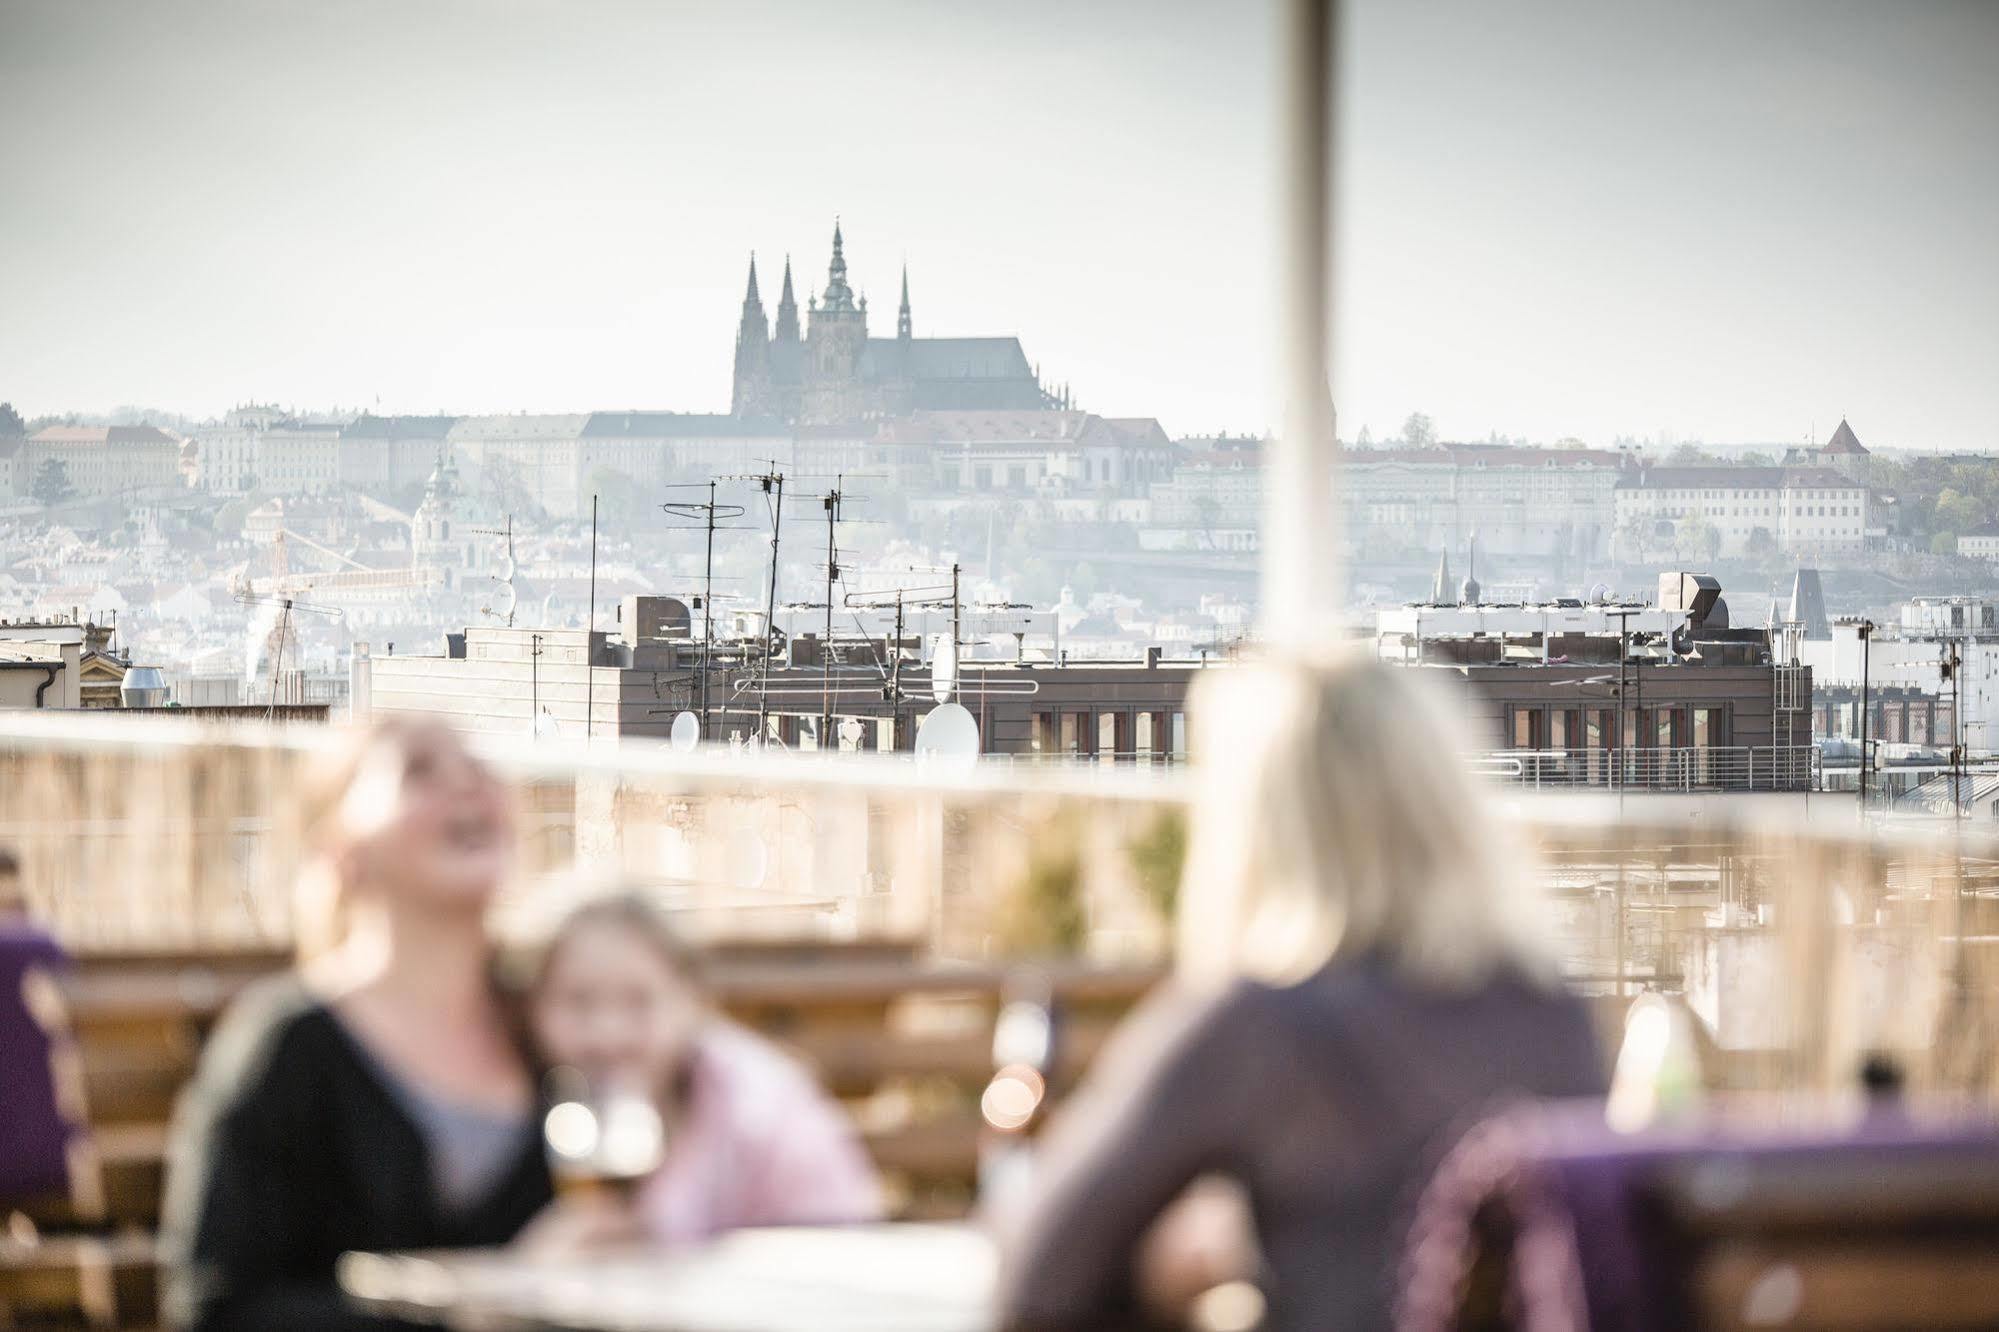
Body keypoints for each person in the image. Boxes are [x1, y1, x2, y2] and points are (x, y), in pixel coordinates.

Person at [998, 655, 1608, 1332]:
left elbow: (1035, 1283)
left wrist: (1170, 1285)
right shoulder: (1553, 1011)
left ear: (1260, 824)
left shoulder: (1259, 1024)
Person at [162, 719, 550, 1331]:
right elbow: (219, 1308)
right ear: (343, 850)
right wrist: (471, 1308)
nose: (467, 785)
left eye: (478, 768)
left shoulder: (553, 1032)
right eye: (419, 770)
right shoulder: (287, 1050)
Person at [518, 893, 881, 1251]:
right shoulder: (526, 1103)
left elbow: (837, 1242)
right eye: (579, 1002)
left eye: (638, 1001)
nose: (608, 1034)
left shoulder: (761, 1109)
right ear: (535, 1008)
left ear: (690, 1000)